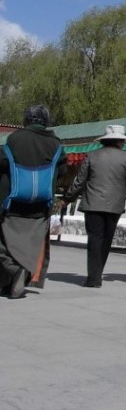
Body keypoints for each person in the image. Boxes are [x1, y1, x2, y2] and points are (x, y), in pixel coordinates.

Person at [0, 105, 66, 299]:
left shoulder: (14, 139)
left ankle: (14, 270)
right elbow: (62, 172)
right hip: (40, 205)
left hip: (12, 203)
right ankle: (17, 278)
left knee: (4, 243)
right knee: (31, 244)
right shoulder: (56, 144)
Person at [63, 124, 126, 288]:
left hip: (92, 204)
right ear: (120, 141)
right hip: (114, 206)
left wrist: (67, 198)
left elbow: (79, 181)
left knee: (95, 239)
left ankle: (93, 277)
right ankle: (97, 274)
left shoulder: (91, 156)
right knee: (106, 240)